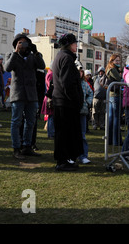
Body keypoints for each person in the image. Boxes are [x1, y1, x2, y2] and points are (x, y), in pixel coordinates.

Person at [5, 33, 45, 159]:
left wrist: (37, 52)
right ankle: (16, 148)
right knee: (16, 121)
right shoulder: (12, 55)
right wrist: (16, 52)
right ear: (16, 44)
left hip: (31, 94)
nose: (23, 45)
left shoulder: (32, 56)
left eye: (25, 42)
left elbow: (42, 66)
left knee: (31, 121)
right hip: (18, 94)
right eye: (20, 42)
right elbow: (7, 68)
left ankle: (27, 146)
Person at [52, 33, 84, 171]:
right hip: (65, 103)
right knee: (64, 133)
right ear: (69, 44)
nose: (76, 45)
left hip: (63, 102)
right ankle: (62, 161)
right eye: (74, 43)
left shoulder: (61, 56)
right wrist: (75, 99)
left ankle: (66, 159)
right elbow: (67, 83)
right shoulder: (66, 58)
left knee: (65, 132)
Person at [76, 61, 93, 164]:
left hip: (82, 111)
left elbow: (90, 93)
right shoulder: (72, 82)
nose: (80, 73)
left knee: (82, 134)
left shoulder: (85, 83)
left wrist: (87, 102)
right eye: (78, 71)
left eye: (81, 72)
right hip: (72, 111)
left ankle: (83, 155)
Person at [106, 54, 123, 146]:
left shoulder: (110, 69)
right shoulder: (112, 69)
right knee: (116, 118)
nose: (118, 62)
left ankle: (111, 140)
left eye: (119, 60)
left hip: (112, 95)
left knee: (112, 118)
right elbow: (119, 79)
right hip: (115, 95)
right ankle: (116, 140)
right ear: (112, 61)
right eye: (116, 60)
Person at [41, 62, 54, 140]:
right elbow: (50, 85)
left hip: (49, 96)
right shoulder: (51, 74)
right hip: (50, 97)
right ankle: (51, 133)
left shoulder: (49, 74)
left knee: (50, 117)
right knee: (51, 116)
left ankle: (51, 133)